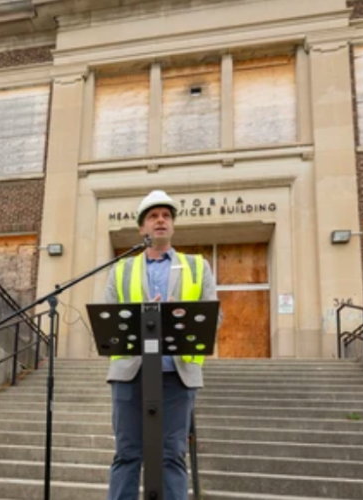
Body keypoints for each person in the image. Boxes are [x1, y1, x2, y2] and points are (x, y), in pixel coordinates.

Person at [104, 190, 219, 500]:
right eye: (153, 216)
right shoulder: (121, 269)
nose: (160, 221)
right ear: (142, 228)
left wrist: (176, 315)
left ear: (173, 225)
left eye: (166, 216)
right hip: (130, 373)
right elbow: (109, 321)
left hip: (176, 374)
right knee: (127, 454)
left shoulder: (197, 266)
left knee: (171, 455)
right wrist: (146, 316)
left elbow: (212, 319)